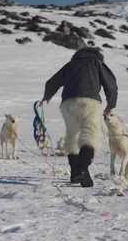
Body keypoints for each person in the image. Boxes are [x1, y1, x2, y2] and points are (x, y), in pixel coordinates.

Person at [40, 47, 118, 187]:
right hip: (90, 102)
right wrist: (110, 104)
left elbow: (52, 82)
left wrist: (46, 97)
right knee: (91, 135)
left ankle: (75, 172)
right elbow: (111, 85)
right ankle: (82, 168)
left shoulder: (71, 64)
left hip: (68, 103)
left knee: (72, 136)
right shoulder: (97, 63)